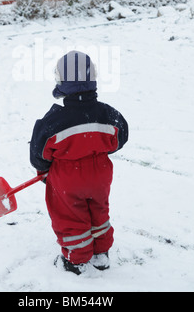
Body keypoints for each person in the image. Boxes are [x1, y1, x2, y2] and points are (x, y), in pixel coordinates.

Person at [30, 50, 129, 275]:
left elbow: (38, 151)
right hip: (100, 175)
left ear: (61, 82)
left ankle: (76, 260)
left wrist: (44, 170)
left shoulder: (53, 121)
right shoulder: (108, 114)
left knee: (71, 216)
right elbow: (120, 137)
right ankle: (101, 254)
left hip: (67, 178)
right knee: (98, 210)